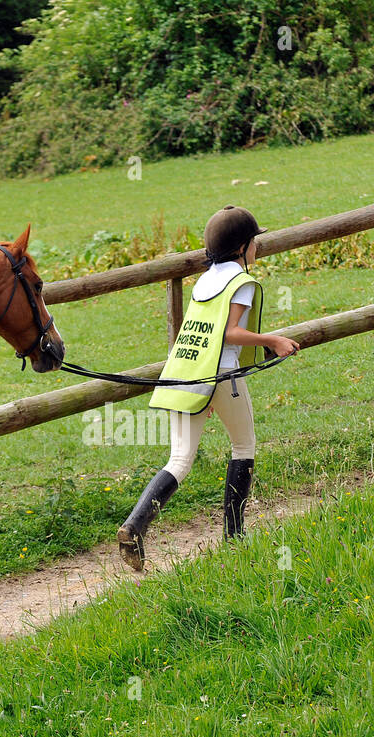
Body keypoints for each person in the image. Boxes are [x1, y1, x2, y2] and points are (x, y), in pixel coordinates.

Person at [116, 206, 300, 571]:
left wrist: (203, 394)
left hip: (187, 373)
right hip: (222, 375)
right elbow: (229, 333)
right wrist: (273, 340)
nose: (257, 247)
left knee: (180, 459)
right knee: (244, 447)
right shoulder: (240, 283)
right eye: (255, 241)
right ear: (243, 246)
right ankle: (234, 538)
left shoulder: (206, 280)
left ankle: (135, 525)